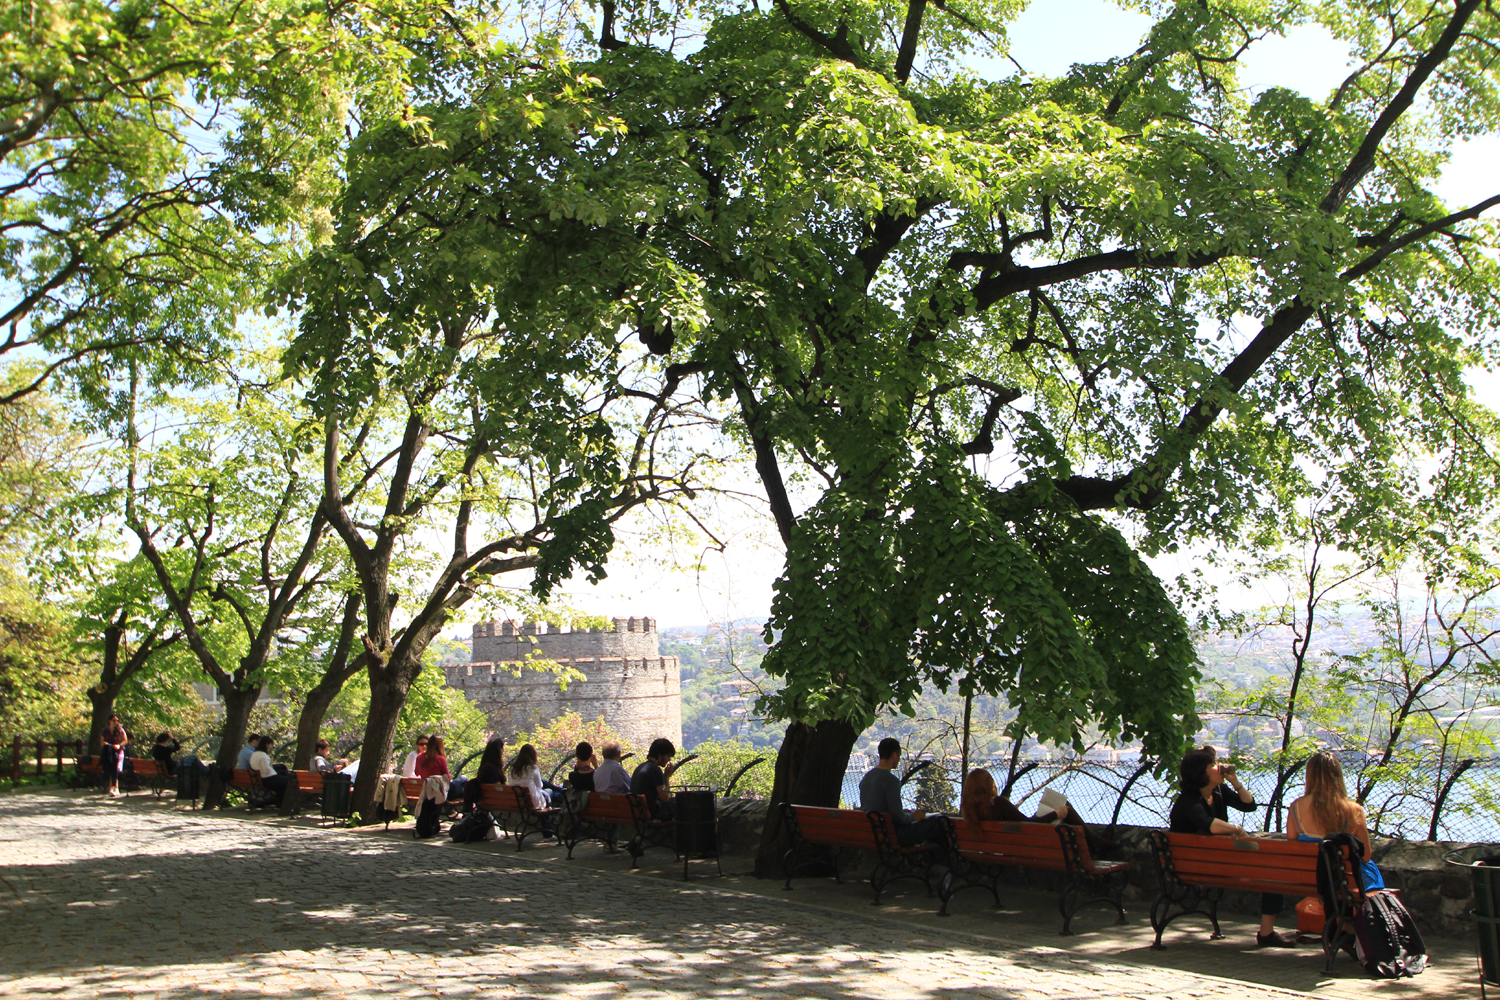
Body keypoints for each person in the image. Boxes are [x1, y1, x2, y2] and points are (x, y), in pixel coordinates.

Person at [1170, 745, 1293, 947]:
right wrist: (1237, 829)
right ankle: (1266, 932)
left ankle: (1267, 932)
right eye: (1213, 764)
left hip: (1218, 862)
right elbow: (1209, 825)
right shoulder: (1188, 800)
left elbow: (1249, 805)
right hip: (1199, 866)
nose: (1220, 767)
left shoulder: (1218, 791)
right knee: (1271, 872)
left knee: (1272, 869)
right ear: (1200, 772)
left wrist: (1235, 782)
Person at [1287, 751, 1385, 890]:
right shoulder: (1353, 810)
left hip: (1310, 878)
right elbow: (1365, 856)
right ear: (1337, 776)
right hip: (1346, 880)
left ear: (1310, 776)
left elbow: (1292, 845)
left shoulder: (1296, 807)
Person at [859, 737, 945, 848]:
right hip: (893, 835)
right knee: (940, 821)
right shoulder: (891, 781)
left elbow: (879, 807)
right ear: (894, 755)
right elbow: (899, 817)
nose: (899, 759)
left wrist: (905, 813)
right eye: (899, 755)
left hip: (873, 832)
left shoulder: (867, 777)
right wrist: (914, 816)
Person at [960, 768, 1072, 825]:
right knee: (1066, 808)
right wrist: (1056, 814)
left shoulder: (970, 810)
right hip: (1023, 848)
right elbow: (1028, 825)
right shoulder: (998, 804)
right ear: (990, 785)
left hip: (992, 852)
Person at [631, 737, 679, 821]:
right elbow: (665, 798)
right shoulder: (655, 770)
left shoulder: (641, 767)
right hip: (651, 815)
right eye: (668, 756)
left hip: (637, 813)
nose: (669, 759)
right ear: (660, 755)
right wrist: (666, 777)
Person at [507, 743, 561, 810]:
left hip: (517, 802)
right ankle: (563, 794)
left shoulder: (512, 770)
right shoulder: (533, 768)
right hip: (534, 803)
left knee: (550, 792)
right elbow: (539, 786)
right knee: (550, 791)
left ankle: (561, 792)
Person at [464, 738, 506, 810]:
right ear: (498, 751)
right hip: (495, 800)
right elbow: (498, 787)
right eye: (502, 749)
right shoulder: (492, 768)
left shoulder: (484, 766)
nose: (503, 751)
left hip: (484, 800)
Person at [249, 735, 288, 807]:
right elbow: (266, 770)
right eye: (270, 745)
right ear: (266, 744)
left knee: (282, 779)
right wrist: (271, 768)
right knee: (289, 780)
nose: (270, 747)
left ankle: (280, 802)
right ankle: (282, 803)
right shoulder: (263, 756)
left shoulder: (254, 754)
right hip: (268, 779)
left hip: (260, 779)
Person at [99, 715, 129, 797]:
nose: (116, 722)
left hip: (118, 752)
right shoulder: (105, 731)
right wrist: (105, 743)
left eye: (117, 720)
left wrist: (119, 745)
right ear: (109, 721)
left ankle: (116, 787)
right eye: (114, 720)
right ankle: (110, 787)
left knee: (115, 769)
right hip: (108, 752)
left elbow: (125, 740)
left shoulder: (120, 730)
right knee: (109, 768)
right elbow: (101, 742)